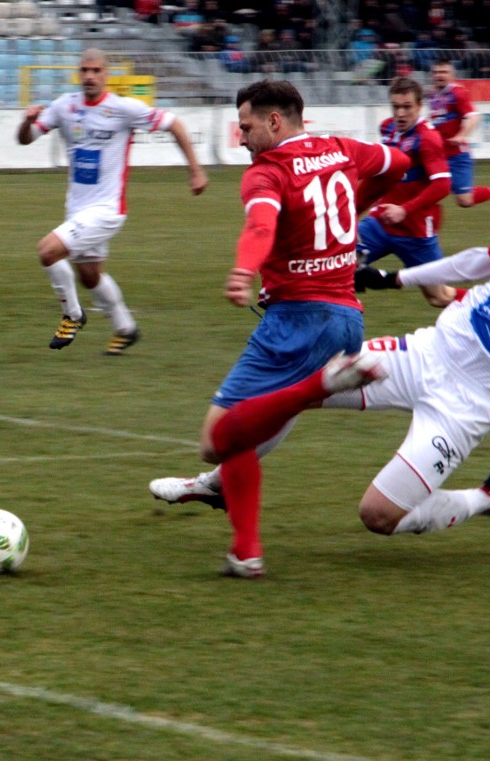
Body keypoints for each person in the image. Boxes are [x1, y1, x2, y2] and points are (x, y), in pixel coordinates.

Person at [150, 175, 490, 571]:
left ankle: (484, 499)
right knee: (298, 389)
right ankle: (216, 484)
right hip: (422, 353)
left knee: (378, 516)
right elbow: (477, 261)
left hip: (468, 404)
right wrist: (396, 278)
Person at [153, 78, 410, 578]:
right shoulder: (340, 148)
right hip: (347, 319)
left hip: (299, 321)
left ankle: (238, 516)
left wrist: (245, 269)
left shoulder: (266, 174)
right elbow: (397, 165)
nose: (240, 138)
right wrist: (355, 206)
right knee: (253, 427)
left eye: (246, 126)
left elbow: (261, 227)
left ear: (275, 121)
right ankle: (234, 526)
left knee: (218, 437)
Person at [17, 48, 208, 355]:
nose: (90, 76)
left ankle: (73, 315)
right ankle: (125, 328)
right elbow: (25, 139)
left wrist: (196, 171)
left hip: (107, 210)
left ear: (107, 74)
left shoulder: (123, 109)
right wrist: (27, 122)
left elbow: (174, 124)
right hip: (77, 209)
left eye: (96, 71)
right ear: (78, 73)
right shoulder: (64, 106)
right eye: (85, 70)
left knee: (47, 251)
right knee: (90, 277)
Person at [355, 76, 456, 308]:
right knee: (336, 259)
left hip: (415, 231)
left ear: (419, 106)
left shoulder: (428, 138)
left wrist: (404, 210)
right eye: (396, 106)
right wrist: (353, 214)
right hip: (380, 223)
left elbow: (443, 185)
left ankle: (486, 303)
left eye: (407, 107)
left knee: (438, 297)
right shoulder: (388, 128)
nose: (400, 113)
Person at [428, 59, 490, 209]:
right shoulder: (432, 95)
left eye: (444, 72)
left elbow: (473, 117)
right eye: (436, 72)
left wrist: (461, 135)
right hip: (437, 155)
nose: (439, 75)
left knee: (465, 201)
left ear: (452, 75)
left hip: (456, 155)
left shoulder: (457, 93)